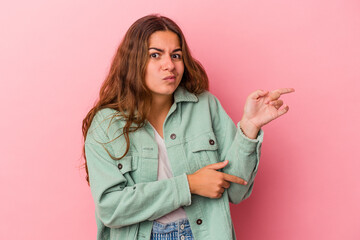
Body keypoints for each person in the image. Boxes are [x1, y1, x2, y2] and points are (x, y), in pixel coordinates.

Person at [82, 14, 294, 240]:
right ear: (133, 61)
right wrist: (189, 185)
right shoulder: (106, 124)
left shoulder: (205, 106)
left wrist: (250, 127)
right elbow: (110, 208)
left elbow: (236, 191)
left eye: (176, 55)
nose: (169, 65)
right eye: (155, 55)